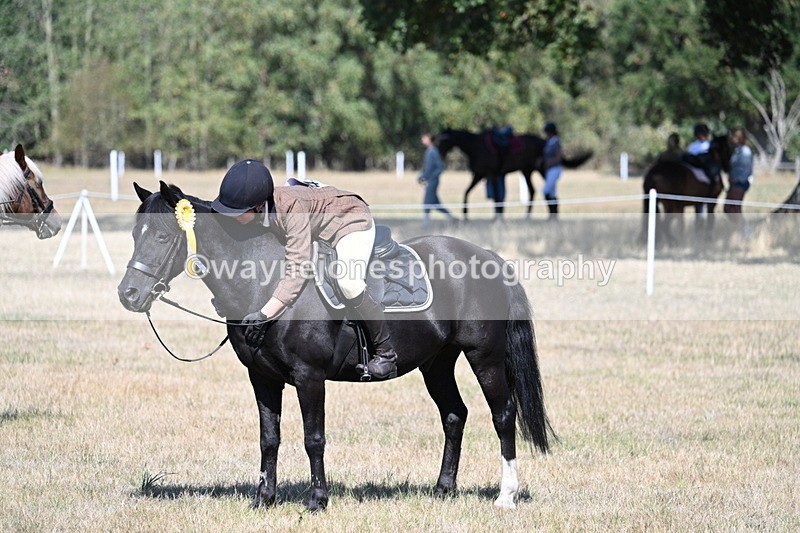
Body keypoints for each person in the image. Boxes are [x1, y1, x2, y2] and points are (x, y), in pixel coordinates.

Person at [212, 159, 397, 379]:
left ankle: (386, 354)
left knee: (348, 282)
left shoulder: (292, 211)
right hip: (318, 222)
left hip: (349, 221)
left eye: (236, 212)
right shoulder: (258, 213)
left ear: (258, 206)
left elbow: (298, 268)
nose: (230, 217)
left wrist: (264, 314)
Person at [417, 132, 456, 225]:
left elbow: (440, 167)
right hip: (429, 180)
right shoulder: (428, 151)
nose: (422, 140)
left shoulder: (433, 151)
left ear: (430, 139)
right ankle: (452, 218)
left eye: (424, 138)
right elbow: (426, 168)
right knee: (435, 202)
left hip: (433, 181)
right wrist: (422, 176)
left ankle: (426, 222)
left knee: (427, 201)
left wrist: (430, 177)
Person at [725, 128, 753, 233]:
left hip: (740, 183)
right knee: (728, 209)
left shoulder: (745, 151)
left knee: (735, 209)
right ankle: (741, 228)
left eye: (735, 137)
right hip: (733, 183)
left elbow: (747, 169)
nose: (733, 139)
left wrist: (737, 179)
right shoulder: (736, 150)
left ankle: (745, 230)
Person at [542, 121, 563, 219]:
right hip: (549, 170)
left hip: (555, 169)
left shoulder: (556, 142)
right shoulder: (549, 142)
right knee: (552, 193)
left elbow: (558, 157)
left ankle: (553, 212)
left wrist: (548, 162)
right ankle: (553, 215)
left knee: (546, 191)